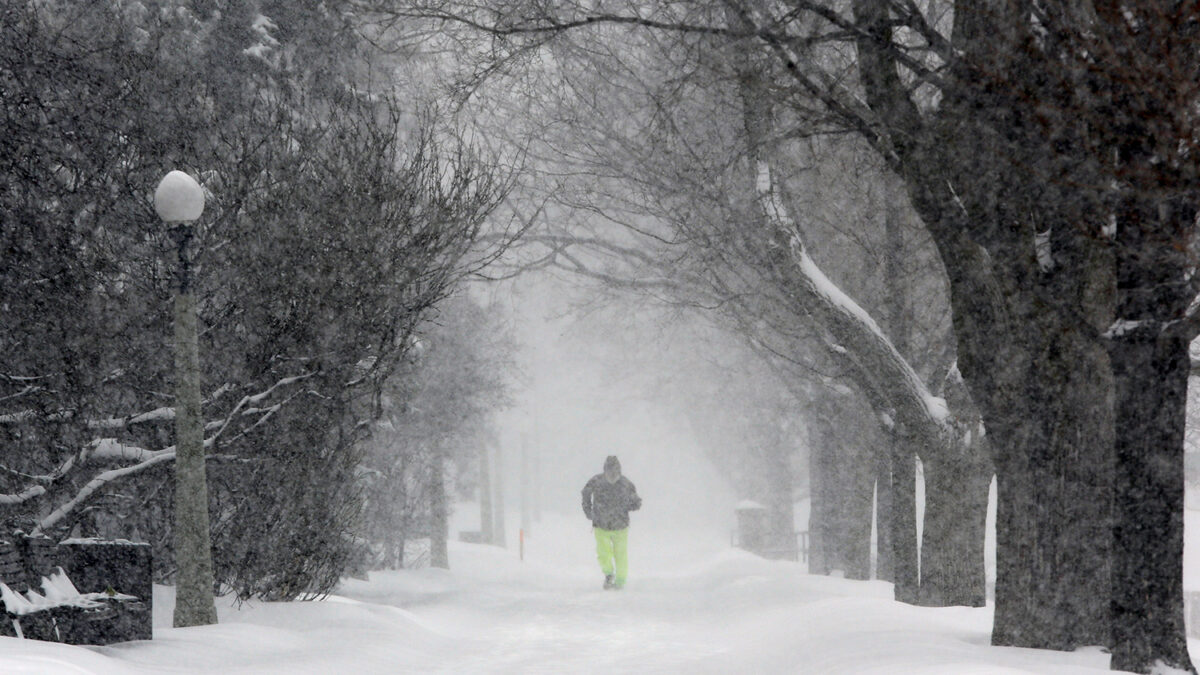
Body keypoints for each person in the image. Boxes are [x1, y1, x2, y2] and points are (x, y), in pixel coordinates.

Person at [581, 455, 642, 590]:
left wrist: (630, 504)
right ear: (605, 471)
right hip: (602, 525)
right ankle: (610, 575)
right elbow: (585, 493)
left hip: (619, 526)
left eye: (615, 472)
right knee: (605, 553)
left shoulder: (626, 484)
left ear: (619, 471)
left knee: (619, 554)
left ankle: (619, 581)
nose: (612, 475)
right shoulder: (597, 481)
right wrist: (588, 511)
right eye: (610, 472)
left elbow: (637, 502)